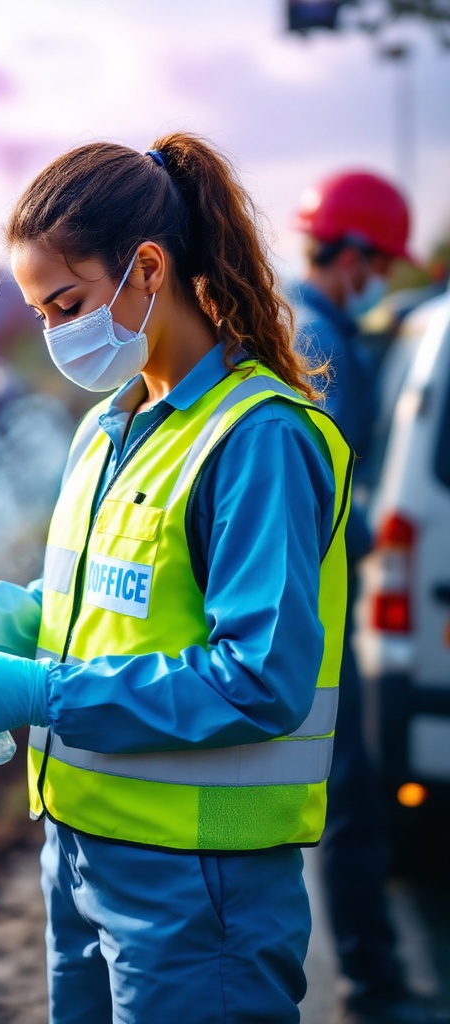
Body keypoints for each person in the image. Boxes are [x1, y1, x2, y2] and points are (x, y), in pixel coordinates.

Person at [0, 132, 354, 1024]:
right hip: (81, 859)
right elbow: (93, 618)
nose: (54, 332)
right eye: (42, 312)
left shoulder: (259, 441)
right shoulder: (110, 429)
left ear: (149, 268)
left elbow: (259, 681)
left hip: (202, 889)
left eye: (68, 302)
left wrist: (40, 693)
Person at [291, 171, 449, 1024]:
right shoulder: (319, 340)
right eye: (380, 262)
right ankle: (375, 987)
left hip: (309, 606)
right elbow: (325, 490)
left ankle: (369, 977)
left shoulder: (290, 318)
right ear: (350, 255)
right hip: (318, 613)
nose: (382, 279)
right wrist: (374, 543)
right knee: (349, 797)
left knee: (335, 795)